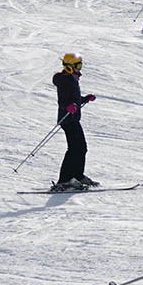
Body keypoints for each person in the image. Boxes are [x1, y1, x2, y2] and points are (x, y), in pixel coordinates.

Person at [51, 53, 97, 190]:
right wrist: (68, 106)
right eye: (77, 65)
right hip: (67, 119)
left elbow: (73, 98)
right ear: (70, 66)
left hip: (73, 118)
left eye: (80, 65)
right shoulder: (65, 80)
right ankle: (64, 180)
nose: (79, 68)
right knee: (74, 149)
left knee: (81, 148)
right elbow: (63, 100)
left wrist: (84, 99)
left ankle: (77, 175)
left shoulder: (71, 78)